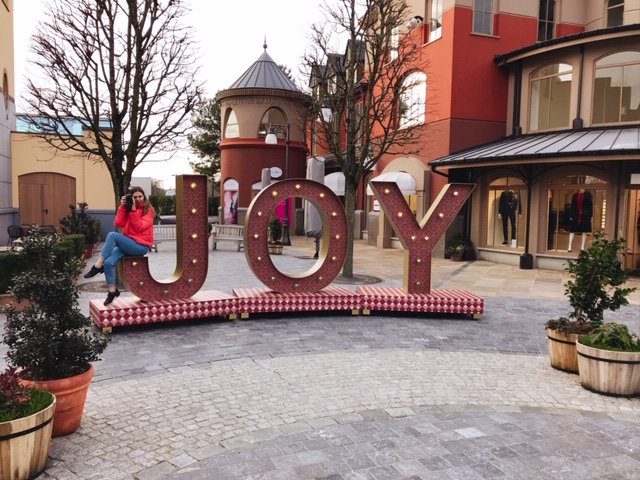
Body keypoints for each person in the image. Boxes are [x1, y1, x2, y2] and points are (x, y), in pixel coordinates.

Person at [84, 186, 155, 305]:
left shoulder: (148, 210)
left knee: (112, 235)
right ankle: (112, 291)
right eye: (135, 197)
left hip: (140, 246)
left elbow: (139, 227)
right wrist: (123, 207)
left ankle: (97, 266)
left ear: (144, 197)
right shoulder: (127, 208)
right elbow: (118, 223)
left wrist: (133, 211)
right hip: (128, 243)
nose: (137, 199)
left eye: (140, 196)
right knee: (109, 262)